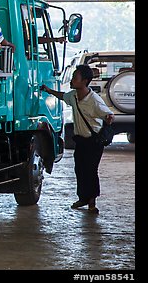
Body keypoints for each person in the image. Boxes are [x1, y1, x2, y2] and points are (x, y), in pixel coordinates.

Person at [41, 64, 114, 214]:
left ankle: (92, 202)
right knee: (79, 169)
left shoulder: (94, 100)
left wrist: (108, 119)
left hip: (93, 142)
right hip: (81, 141)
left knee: (90, 171)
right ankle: (83, 198)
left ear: (85, 81)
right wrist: (49, 91)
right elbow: (63, 96)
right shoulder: (73, 95)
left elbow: (108, 115)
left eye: (75, 77)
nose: (72, 80)